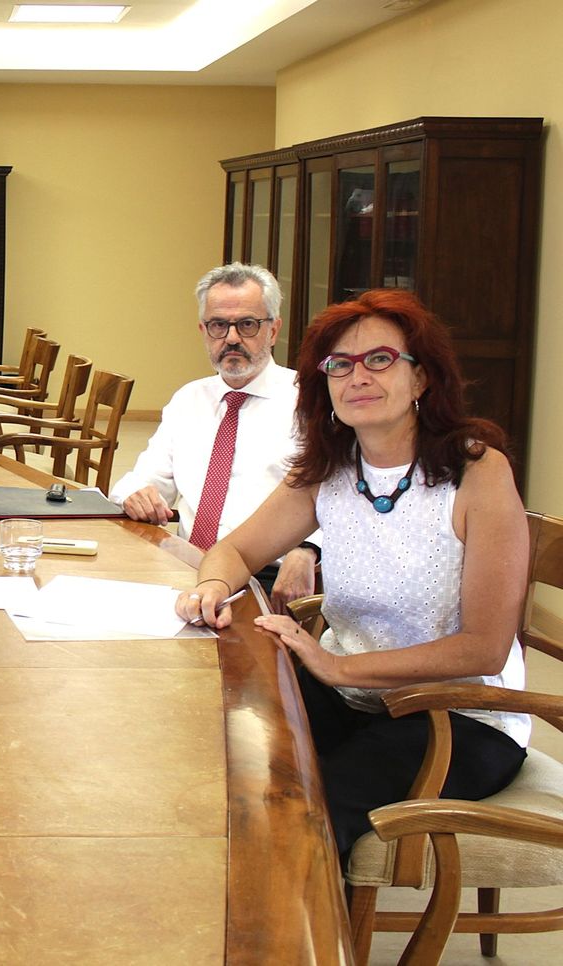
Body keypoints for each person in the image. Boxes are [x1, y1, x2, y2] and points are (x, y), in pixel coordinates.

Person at [177, 288, 528, 859]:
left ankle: (293, 945)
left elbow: (485, 650)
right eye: (340, 365)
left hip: (457, 719)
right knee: (221, 760)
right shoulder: (329, 469)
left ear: (422, 378)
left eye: (381, 359)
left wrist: (338, 666)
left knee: (304, 813)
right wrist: (213, 586)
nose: (357, 376)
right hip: (352, 699)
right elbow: (233, 552)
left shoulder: (477, 472)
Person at [109, 262, 318, 608]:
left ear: (273, 330)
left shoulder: (309, 402)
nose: (232, 338)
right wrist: (135, 494)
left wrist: (309, 549)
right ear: (204, 331)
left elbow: (341, 501)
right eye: (219, 325)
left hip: (266, 575)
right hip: (186, 565)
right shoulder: (188, 399)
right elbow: (140, 482)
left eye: (247, 324)